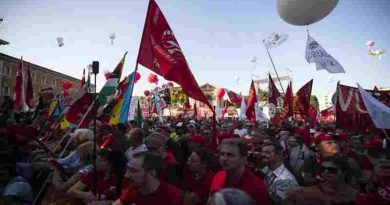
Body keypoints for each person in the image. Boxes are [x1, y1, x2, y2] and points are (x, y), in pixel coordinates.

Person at [210, 138, 269, 205]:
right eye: (222, 154)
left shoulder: (257, 187)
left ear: (243, 159)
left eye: (230, 155)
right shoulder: (218, 176)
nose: (224, 158)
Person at [112, 152, 184, 205]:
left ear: (152, 173)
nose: (126, 175)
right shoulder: (134, 189)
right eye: (127, 170)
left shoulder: (173, 196)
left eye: (134, 171)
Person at [286, 156, 358, 205]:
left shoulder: (354, 195)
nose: (326, 171)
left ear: (344, 172)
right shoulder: (311, 191)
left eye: (332, 169)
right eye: (323, 168)